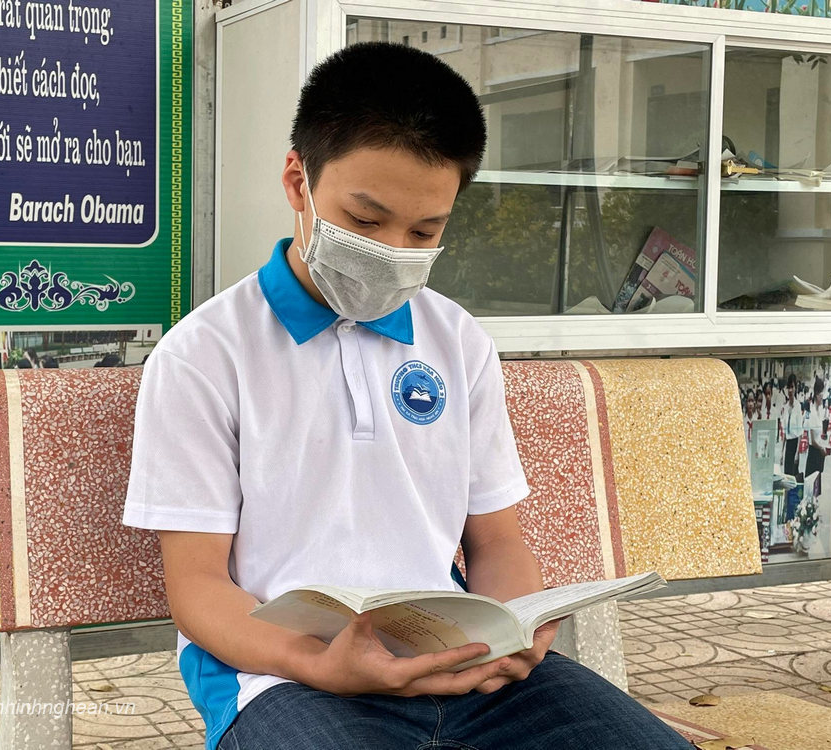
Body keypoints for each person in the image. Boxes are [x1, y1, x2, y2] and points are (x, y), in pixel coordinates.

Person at [122, 42, 690, 750]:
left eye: (425, 231)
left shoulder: (457, 341)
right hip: (280, 676)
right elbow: (198, 589)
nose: (393, 249)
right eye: (365, 221)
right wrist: (320, 663)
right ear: (298, 181)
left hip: (456, 665)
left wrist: (515, 624)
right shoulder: (205, 356)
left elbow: (498, 542)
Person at [780, 374, 804, 480]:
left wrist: (797, 453)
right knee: (786, 474)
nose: (790, 390)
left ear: (795, 388)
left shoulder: (798, 407)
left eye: (792, 387)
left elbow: (800, 433)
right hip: (788, 444)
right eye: (788, 387)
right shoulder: (785, 407)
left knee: (793, 475)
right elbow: (785, 432)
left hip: (795, 443)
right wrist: (782, 452)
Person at [806, 376, 827, 494]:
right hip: (814, 451)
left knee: (817, 485)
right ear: (816, 395)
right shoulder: (813, 413)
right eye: (821, 394)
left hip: (819, 451)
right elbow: (813, 440)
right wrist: (821, 448)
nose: (822, 397)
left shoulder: (820, 411)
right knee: (812, 484)